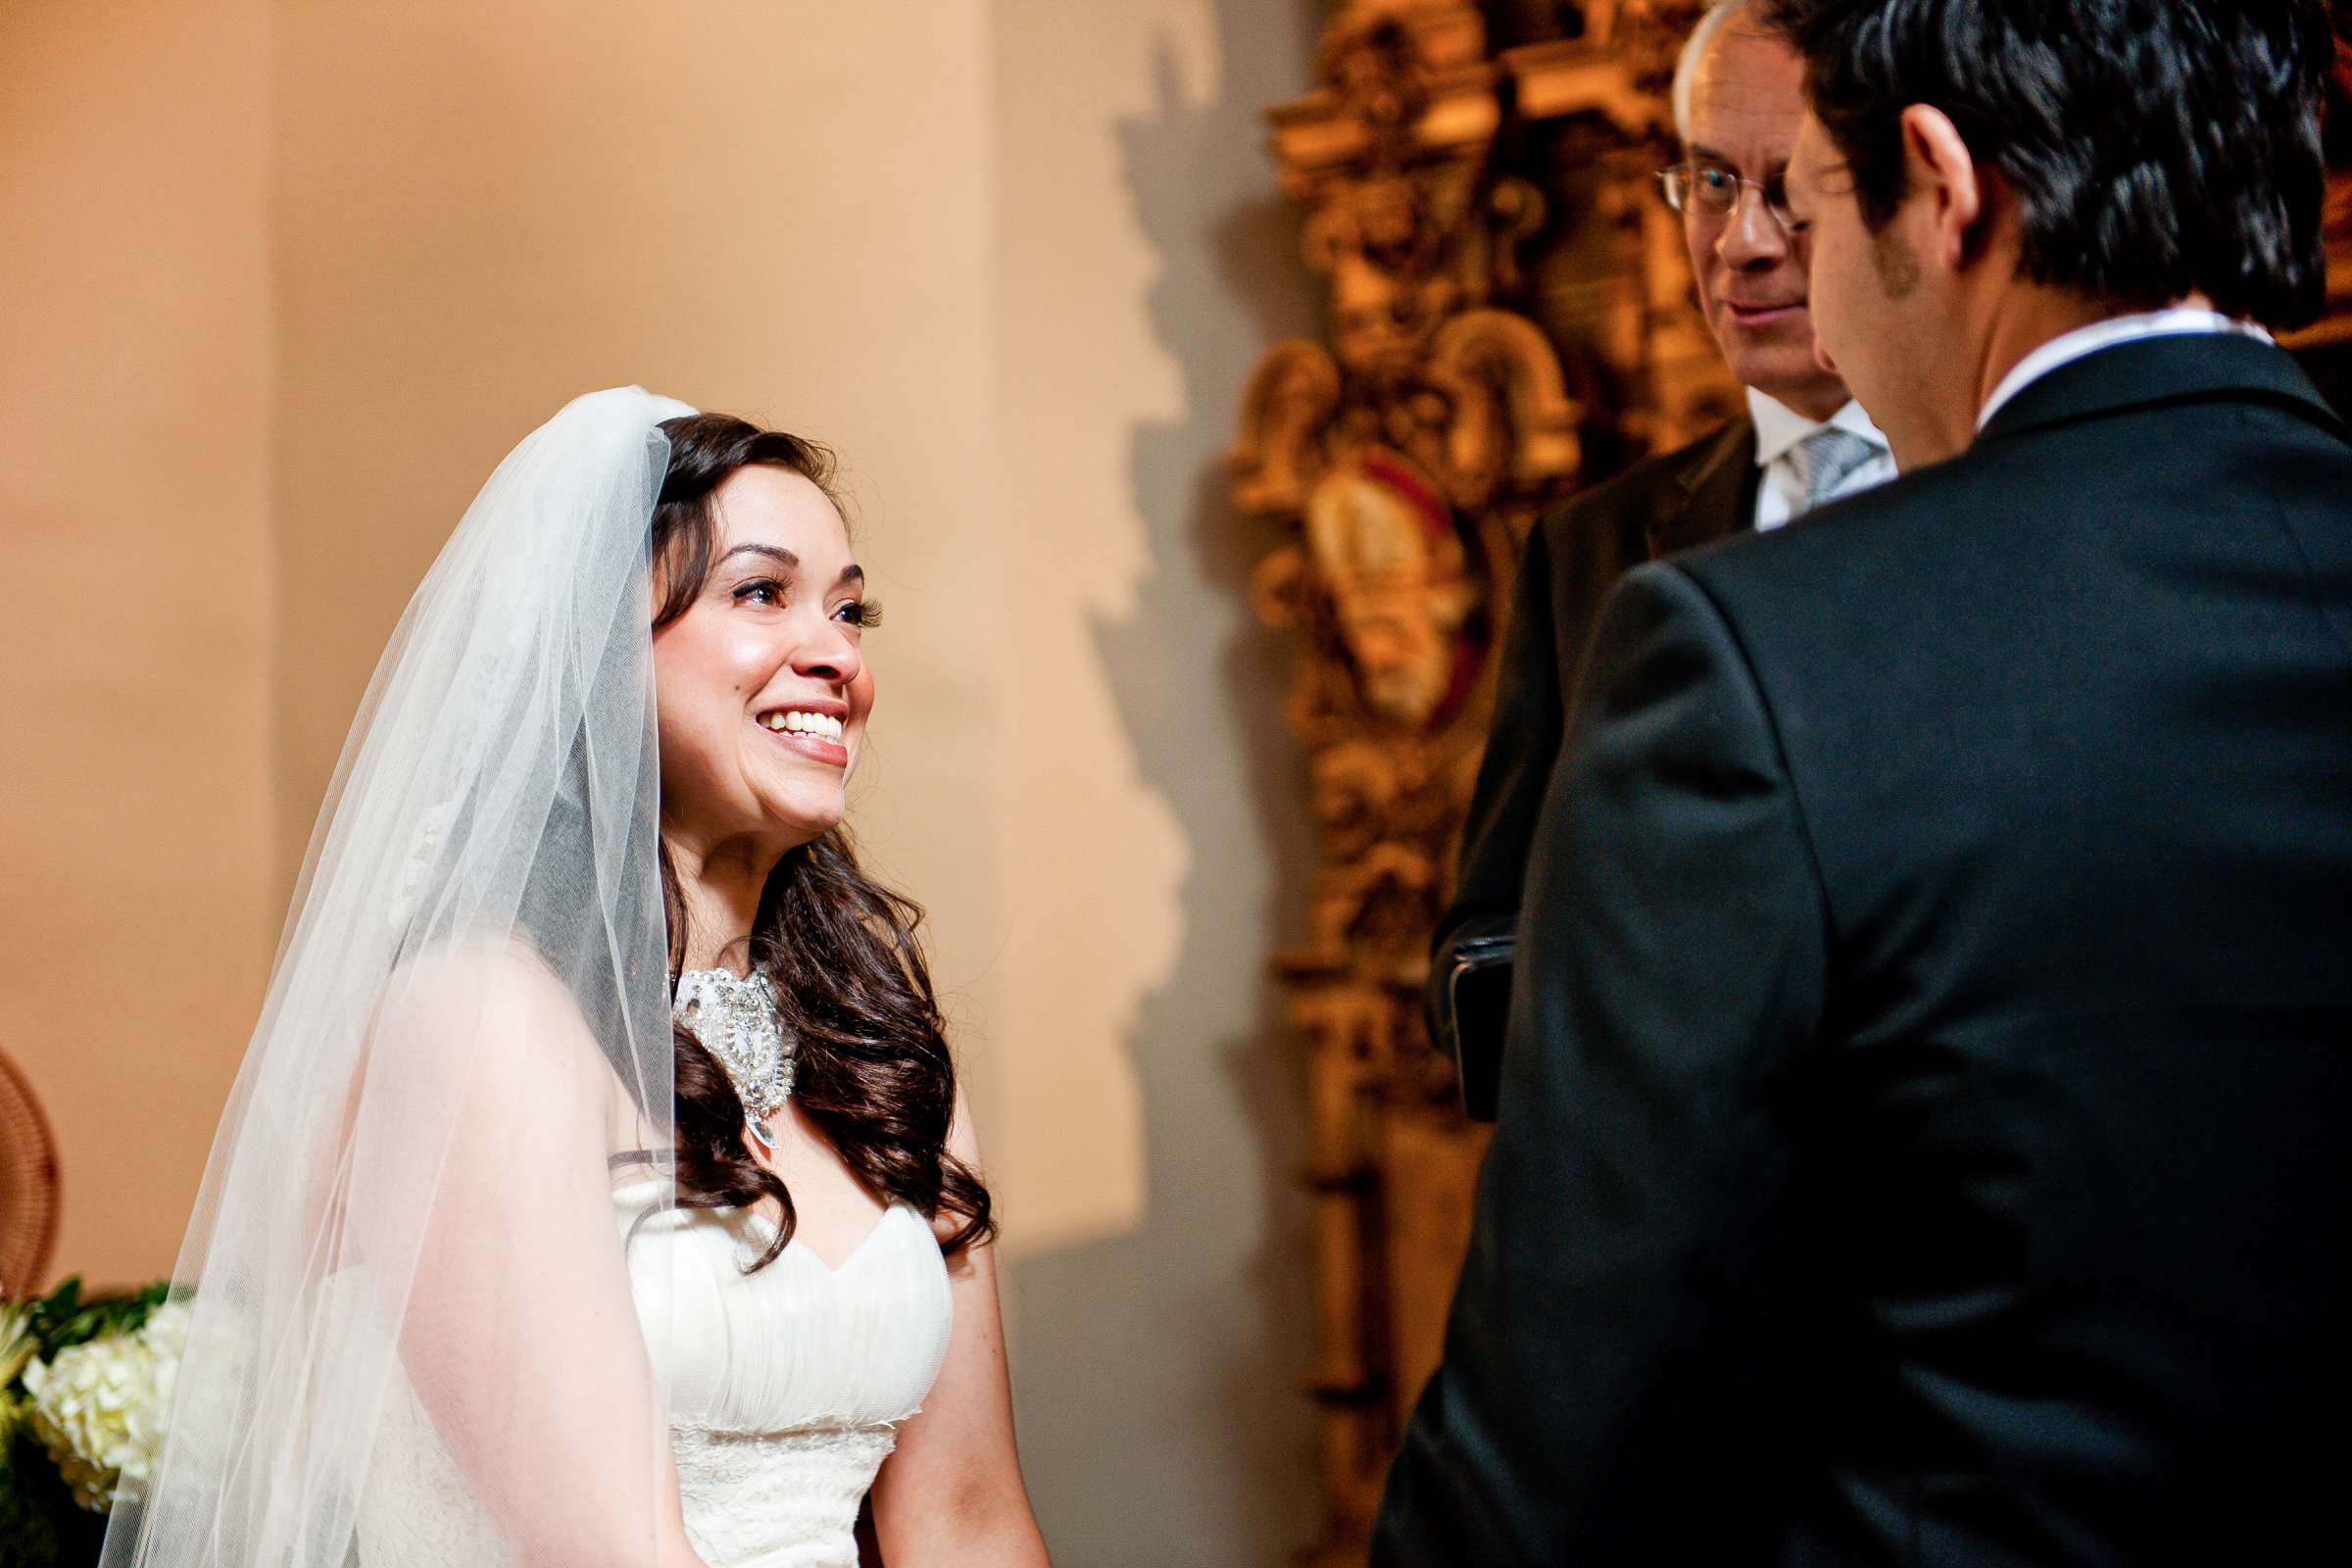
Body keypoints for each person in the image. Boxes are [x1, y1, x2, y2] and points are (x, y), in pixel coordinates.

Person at [1376, 0, 2352, 1559]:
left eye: (1816, 206)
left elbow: (1540, 1467)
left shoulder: (1760, 657)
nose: (1787, 273)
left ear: (1939, 185)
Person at [102, 391, 1051, 1568]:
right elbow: (611, 1551)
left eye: (851, 607)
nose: (838, 653)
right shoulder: (476, 1020)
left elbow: (967, 1516)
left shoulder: (884, 1054)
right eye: (762, 593)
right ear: (596, 650)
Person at [1428, 0, 1891, 1119]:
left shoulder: (2014, 491)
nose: (1742, 239)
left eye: (1786, 185)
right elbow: (1480, 946)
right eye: (1712, 181)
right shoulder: (1590, 551)